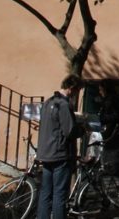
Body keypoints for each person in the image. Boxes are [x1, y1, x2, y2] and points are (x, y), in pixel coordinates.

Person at [37, 75, 84, 219]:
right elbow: (69, 130)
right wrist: (82, 128)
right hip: (59, 154)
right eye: (76, 91)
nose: (76, 94)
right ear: (71, 88)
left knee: (45, 193)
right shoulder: (64, 104)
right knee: (59, 194)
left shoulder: (47, 103)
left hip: (45, 154)